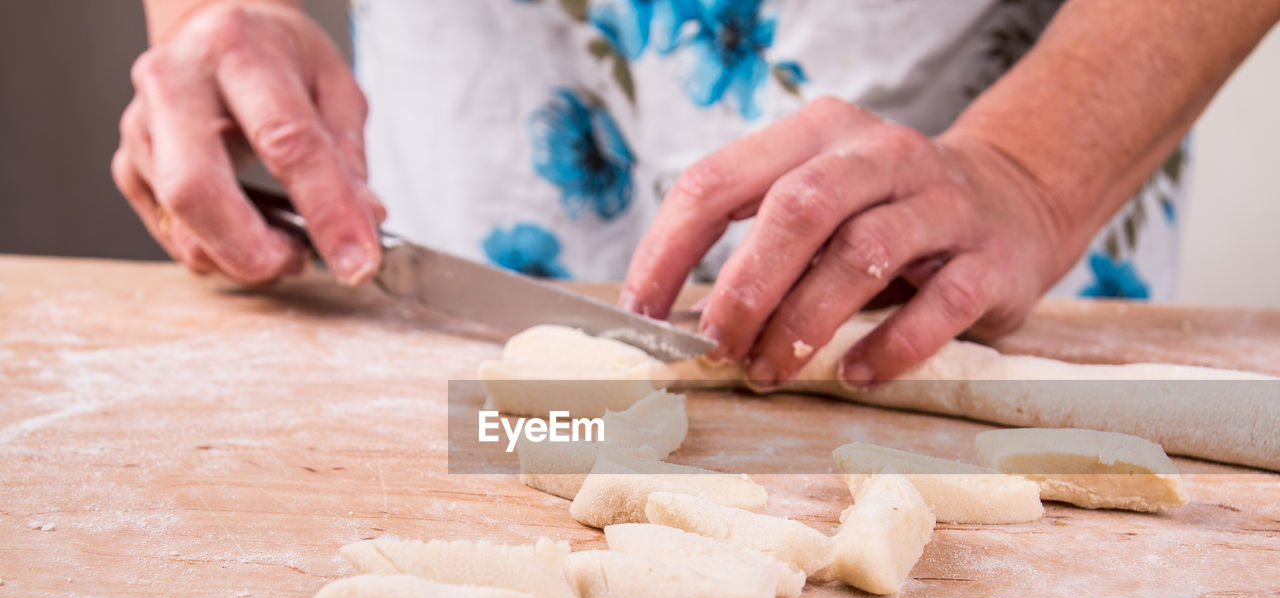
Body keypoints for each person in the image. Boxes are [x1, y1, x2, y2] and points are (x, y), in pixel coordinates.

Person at [113, 0, 1280, 389]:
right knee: (494, 428)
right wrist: (220, 26)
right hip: (465, 151)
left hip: (960, 170)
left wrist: (1033, 164)